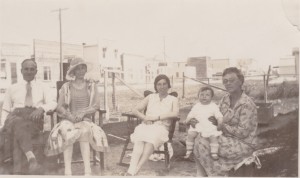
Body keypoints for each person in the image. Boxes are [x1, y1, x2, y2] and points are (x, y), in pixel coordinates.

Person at [44, 58, 109, 176]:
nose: (80, 71)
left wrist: (83, 113)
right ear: (73, 71)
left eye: (83, 67)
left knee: (83, 131)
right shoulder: (66, 87)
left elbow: (96, 105)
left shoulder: (91, 86)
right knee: (66, 131)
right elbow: (59, 106)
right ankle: (68, 170)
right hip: (68, 119)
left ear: (86, 69)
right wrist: (70, 116)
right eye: (77, 68)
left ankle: (87, 170)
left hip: (85, 120)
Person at [191, 67, 258, 176]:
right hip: (225, 137)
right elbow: (215, 117)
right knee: (197, 137)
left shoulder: (247, 104)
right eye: (225, 81)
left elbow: (243, 133)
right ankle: (204, 174)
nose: (228, 84)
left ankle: (216, 174)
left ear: (241, 81)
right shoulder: (225, 99)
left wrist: (222, 126)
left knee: (201, 142)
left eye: (231, 80)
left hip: (243, 143)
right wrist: (199, 121)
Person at [0, 58, 57, 174]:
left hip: (33, 119)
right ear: (21, 71)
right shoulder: (12, 88)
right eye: (26, 69)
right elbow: (6, 109)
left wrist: (42, 108)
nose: (29, 71)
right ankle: (31, 159)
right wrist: (2, 127)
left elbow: (53, 103)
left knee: (16, 126)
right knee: (16, 122)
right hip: (14, 117)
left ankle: (14, 166)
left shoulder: (43, 86)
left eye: (32, 69)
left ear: (36, 71)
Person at [126, 74, 179, 176]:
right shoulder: (151, 97)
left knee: (151, 139)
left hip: (161, 127)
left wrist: (157, 117)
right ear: (155, 86)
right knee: (139, 139)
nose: (162, 86)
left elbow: (175, 113)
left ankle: (136, 169)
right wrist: (144, 118)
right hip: (147, 125)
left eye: (164, 84)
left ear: (168, 85)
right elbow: (135, 110)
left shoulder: (173, 99)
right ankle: (132, 169)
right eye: (159, 84)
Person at [184, 86, 223, 160]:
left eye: (207, 95)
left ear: (211, 97)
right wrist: (187, 120)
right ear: (198, 96)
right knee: (190, 135)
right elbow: (191, 114)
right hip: (198, 126)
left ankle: (214, 153)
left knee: (213, 137)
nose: (204, 97)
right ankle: (188, 151)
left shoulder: (213, 106)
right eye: (202, 95)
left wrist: (220, 123)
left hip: (209, 126)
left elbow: (219, 116)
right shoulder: (197, 106)